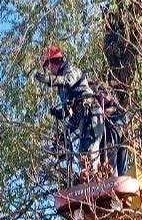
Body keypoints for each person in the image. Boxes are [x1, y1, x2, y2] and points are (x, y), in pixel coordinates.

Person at [34, 45, 103, 180]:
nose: (49, 70)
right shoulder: (62, 89)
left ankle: (93, 181)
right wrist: (59, 113)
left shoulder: (70, 70)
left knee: (88, 151)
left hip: (90, 112)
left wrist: (49, 80)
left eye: (48, 66)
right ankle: (85, 179)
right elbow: (69, 109)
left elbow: (68, 81)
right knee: (75, 145)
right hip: (80, 116)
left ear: (54, 62)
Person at [91, 78, 129, 177]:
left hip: (113, 126)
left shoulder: (99, 94)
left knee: (110, 162)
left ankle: (112, 183)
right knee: (121, 166)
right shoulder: (108, 93)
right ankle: (121, 182)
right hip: (121, 126)